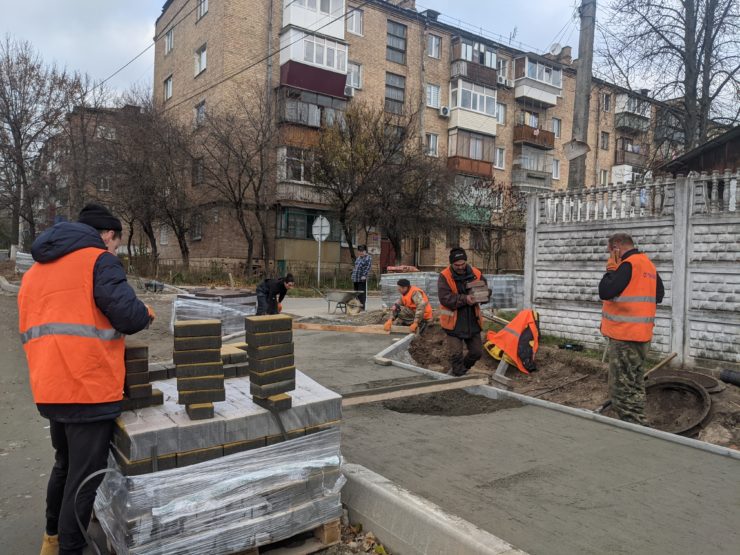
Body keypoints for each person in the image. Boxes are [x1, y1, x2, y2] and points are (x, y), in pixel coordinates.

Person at [17, 203, 153, 555]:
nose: (115, 250)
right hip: (87, 386)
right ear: (107, 234)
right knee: (83, 480)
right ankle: (70, 549)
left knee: (64, 466)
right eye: (117, 244)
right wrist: (147, 312)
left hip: (50, 387)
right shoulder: (97, 260)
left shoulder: (36, 270)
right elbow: (128, 315)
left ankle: (51, 539)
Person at [599, 232, 664, 425]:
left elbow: (605, 291)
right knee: (634, 383)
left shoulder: (626, 265)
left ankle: (635, 429)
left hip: (624, 337)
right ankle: (639, 419)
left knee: (621, 389)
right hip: (642, 337)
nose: (610, 255)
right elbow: (658, 295)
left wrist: (611, 268)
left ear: (617, 247)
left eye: (611, 251)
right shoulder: (648, 265)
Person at [438, 247, 487, 376]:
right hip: (453, 322)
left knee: (476, 352)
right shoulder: (444, 276)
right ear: (451, 264)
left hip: (472, 320)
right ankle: (458, 375)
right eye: (456, 265)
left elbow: (485, 290)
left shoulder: (476, 273)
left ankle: (462, 369)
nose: (460, 267)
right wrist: (465, 299)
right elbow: (445, 298)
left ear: (466, 261)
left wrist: (484, 295)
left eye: (462, 264)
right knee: (456, 353)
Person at [351, 245, 372, 311]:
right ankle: (356, 307)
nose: (361, 252)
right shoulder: (358, 258)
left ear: (365, 251)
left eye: (362, 251)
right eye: (360, 251)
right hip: (356, 278)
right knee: (356, 293)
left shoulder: (368, 258)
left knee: (361, 294)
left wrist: (364, 275)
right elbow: (355, 267)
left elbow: (367, 268)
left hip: (362, 279)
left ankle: (362, 307)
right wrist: (353, 275)